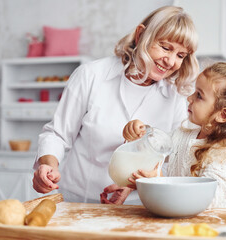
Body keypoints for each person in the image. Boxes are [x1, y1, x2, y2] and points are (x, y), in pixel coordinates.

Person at [32, 5, 199, 204]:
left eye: (181, 55)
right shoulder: (91, 76)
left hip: (140, 207)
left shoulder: (177, 97)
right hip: (79, 201)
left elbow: (173, 161)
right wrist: (48, 165)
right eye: (165, 47)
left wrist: (138, 182)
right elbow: (57, 134)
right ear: (140, 35)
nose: (171, 61)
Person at [123, 62, 226, 208]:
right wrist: (138, 135)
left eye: (199, 95)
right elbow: (151, 151)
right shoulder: (183, 134)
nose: (189, 98)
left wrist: (160, 180)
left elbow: (206, 200)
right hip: (178, 225)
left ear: (222, 115)